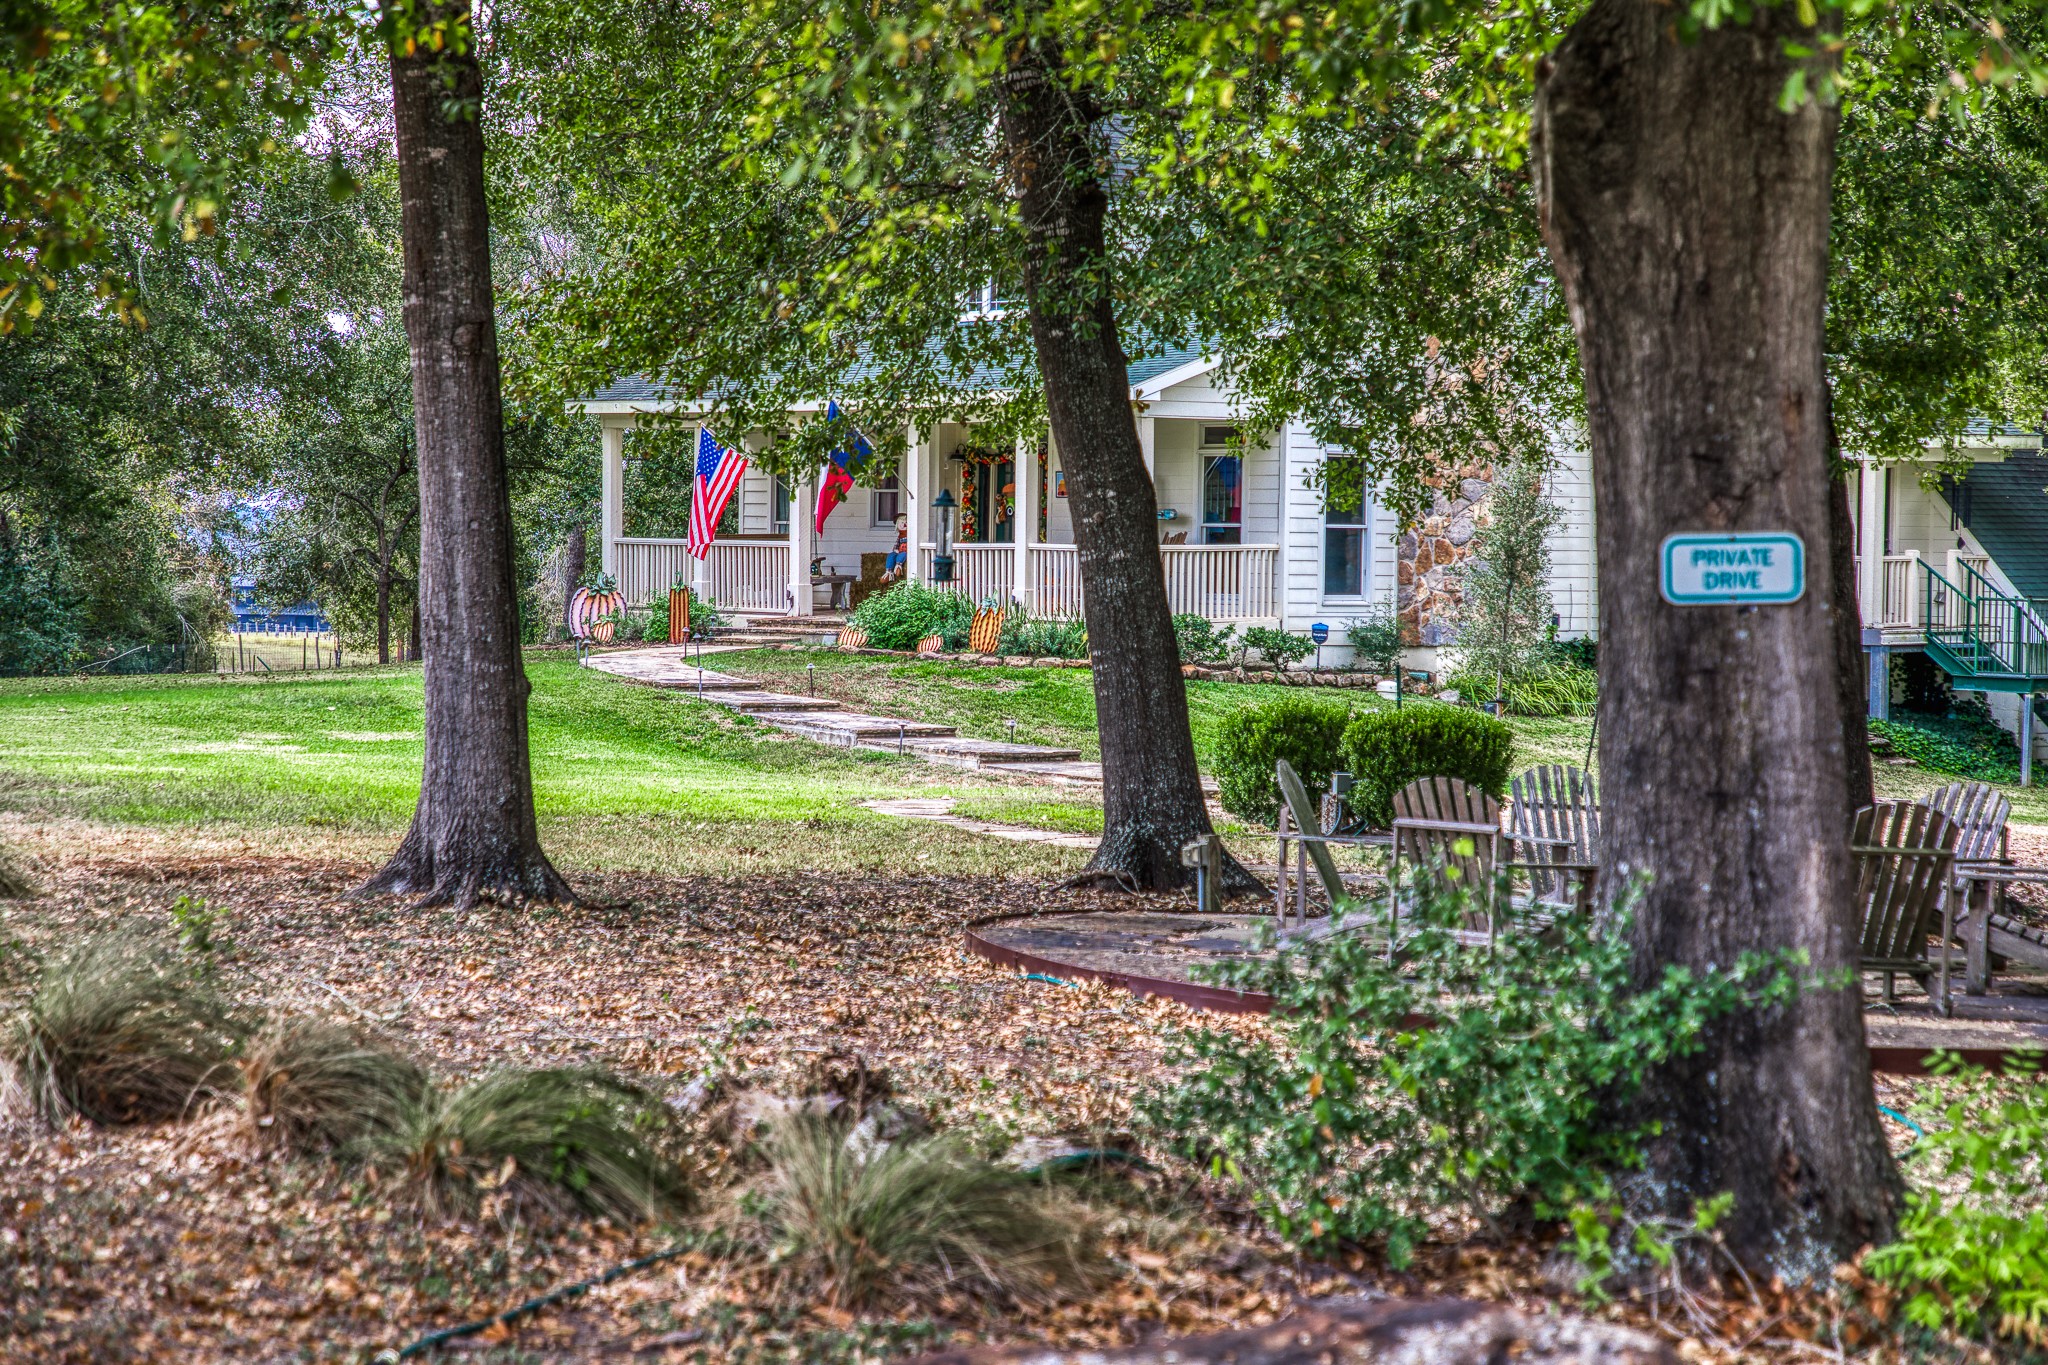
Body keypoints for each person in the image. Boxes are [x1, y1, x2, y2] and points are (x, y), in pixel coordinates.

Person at [883, 513, 909, 581]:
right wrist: (895, 550)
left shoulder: (910, 535)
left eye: (906, 522)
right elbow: (896, 545)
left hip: (905, 551)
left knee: (903, 554)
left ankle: (898, 566)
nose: (904, 524)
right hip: (899, 551)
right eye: (902, 522)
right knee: (891, 555)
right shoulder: (900, 536)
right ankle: (888, 572)